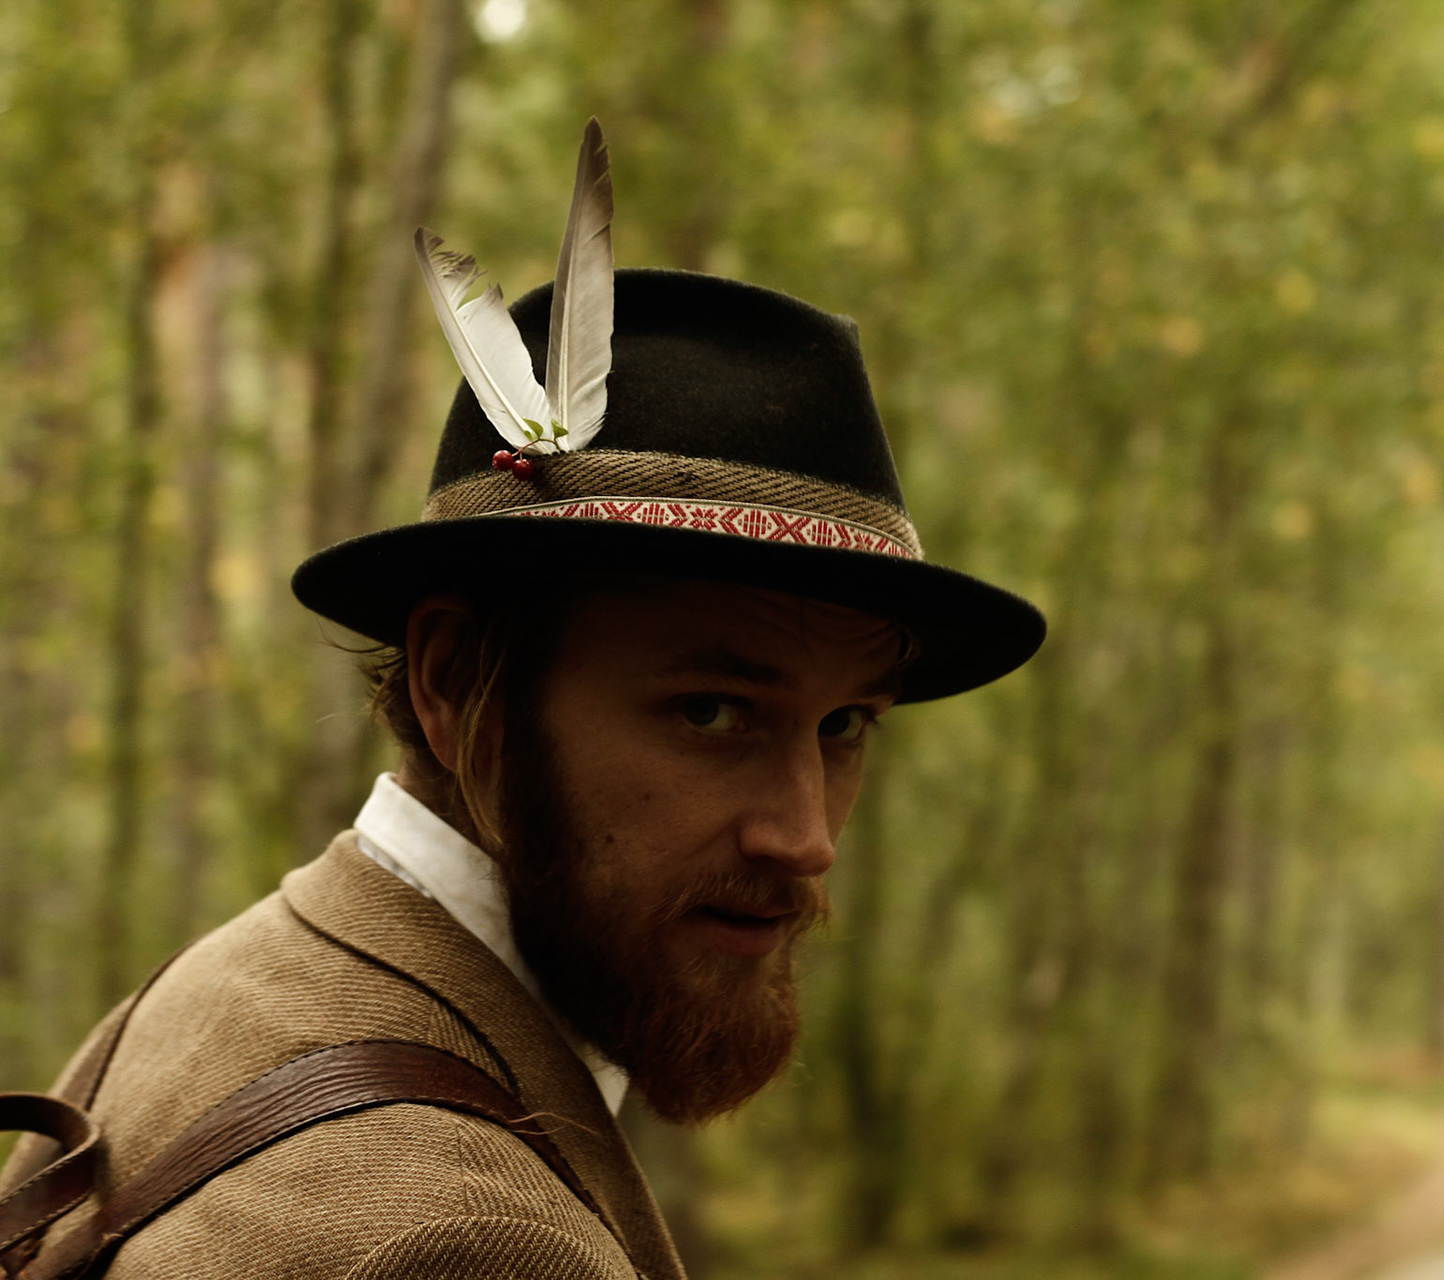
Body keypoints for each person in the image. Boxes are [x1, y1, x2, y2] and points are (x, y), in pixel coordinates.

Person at [0, 122, 1042, 1279]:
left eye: (845, 724)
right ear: (456, 683)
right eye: (711, 709)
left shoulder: (211, 990)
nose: (806, 836)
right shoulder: (466, 1241)